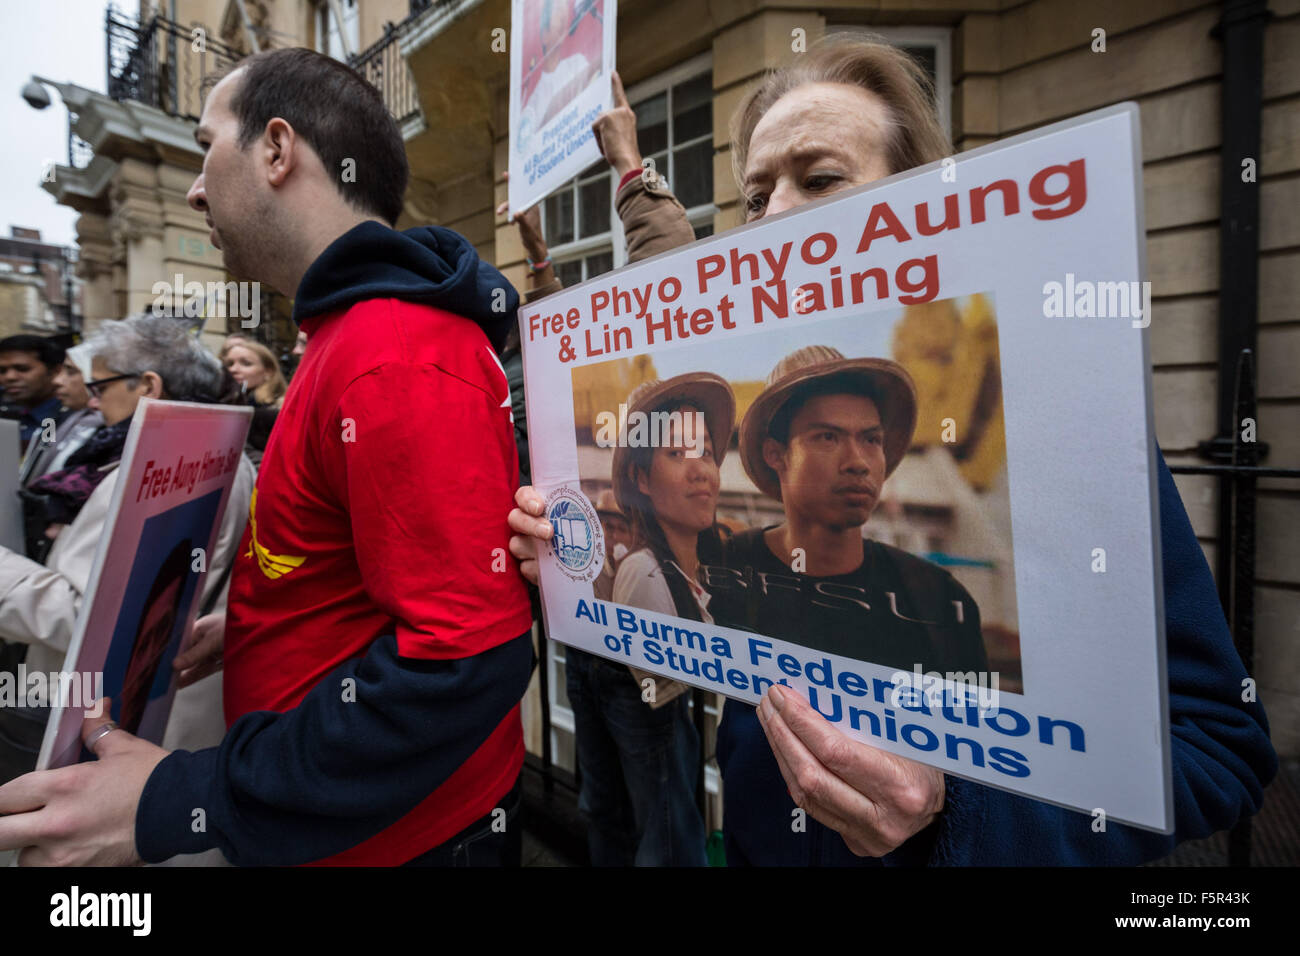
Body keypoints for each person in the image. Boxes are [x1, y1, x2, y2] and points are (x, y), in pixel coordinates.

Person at [505, 34, 1276, 865]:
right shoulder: (732, 559)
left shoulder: (1067, 432)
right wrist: (568, 553)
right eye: (756, 196)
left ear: (921, 198)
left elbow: (1215, 748)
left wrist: (955, 811)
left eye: (822, 178)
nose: (776, 216)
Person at [0, 46, 534, 868]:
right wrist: (257, 622)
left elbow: (460, 667)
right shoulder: (344, 335)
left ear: (278, 149)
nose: (193, 186)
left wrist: (185, 800)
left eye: (208, 145)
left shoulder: (390, 351)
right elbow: (362, 566)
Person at [0, 313, 255, 788]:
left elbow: (89, 617)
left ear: (147, 385)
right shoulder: (218, 451)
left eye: (99, 388)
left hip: (121, 713)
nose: (92, 403)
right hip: (167, 707)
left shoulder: (144, 471)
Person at [708, 345, 988, 673]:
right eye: (828, 437)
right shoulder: (725, 570)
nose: (858, 463)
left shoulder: (938, 601)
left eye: (871, 440)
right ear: (776, 454)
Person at [221, 339, 286, 463]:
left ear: (268, 372)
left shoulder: (278, 411)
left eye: (246, 364)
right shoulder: (227, 403)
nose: (234, 369)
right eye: (229, 364)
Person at [0, 334, 65, 450]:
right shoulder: (8, 418)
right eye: (2, 371)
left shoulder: (72, 420)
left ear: (55, 371)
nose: (9, 377)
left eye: (22, 369)